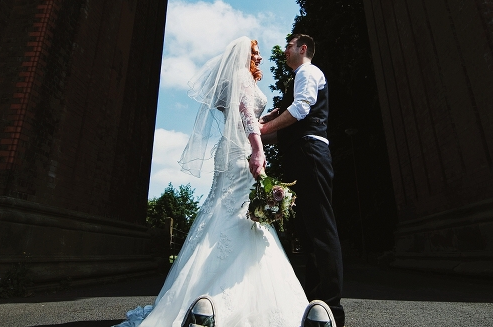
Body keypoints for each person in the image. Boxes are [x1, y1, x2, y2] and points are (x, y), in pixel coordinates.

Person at [134, 37, 311, 327]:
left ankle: (204, 299)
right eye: (256, 53)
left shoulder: (238, 79)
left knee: (234, 213)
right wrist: (258, 149)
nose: (260, 58)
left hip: (232, 148)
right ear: (243, 55)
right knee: (237, 214)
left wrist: (268, 118)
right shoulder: (241, 76)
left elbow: (246, 115)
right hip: (239, 152)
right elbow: (245, 114)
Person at [260, 35, 344, 327]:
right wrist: (253, 136)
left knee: (321, 225)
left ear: (303, 48)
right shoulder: (295, 78)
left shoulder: (308, 72)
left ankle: (331, 307)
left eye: (289, 46)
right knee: (307, 230)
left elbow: (300, 110)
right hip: (299, 152)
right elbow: (281, 132)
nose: (285, 52)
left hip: (311, 150)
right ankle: (313, 301)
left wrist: (263, 128)